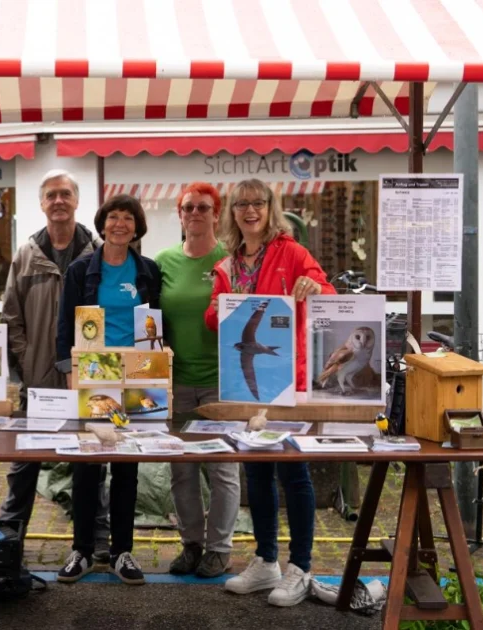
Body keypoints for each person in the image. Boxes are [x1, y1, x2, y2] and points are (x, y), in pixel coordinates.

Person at [204, 178, 334, 607]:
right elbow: (214, 320)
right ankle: (266, 561)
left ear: (270, 208)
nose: (250, 210)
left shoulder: (291, 252)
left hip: (287, 381)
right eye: (241, 204)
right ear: (232, 213)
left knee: (293, 472)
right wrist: (219, 309)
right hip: (245, 384)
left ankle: (301, 567)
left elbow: (327, 293)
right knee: (257, 471)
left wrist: (314, 287)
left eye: (258, 203)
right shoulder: (227, 264)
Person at [0, 170, 111, 562]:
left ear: (77, 200)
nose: (58, 201)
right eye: (51, 195)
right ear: (42, 203)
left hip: (88, 375)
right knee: (25, 459)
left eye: (65, 194)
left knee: (92, 456)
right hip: (39, 376)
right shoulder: (26, 255)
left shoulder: (98, 252)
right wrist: (28, 359)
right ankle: (10, 535)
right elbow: (11, 316)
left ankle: (97, 536)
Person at [55, 194, 161, 585]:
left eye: (128, 218)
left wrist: (155, 374)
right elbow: (66, 326)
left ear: (137, 227)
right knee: (86, 466)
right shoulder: (81, 270)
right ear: (102, 225)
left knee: (127, 466)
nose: (120, 224)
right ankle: (82, 550)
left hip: (136, 377)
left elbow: (155, 327)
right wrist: (70, 374)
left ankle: (122, 552)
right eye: (113, 217)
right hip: (93, 376)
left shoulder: (148, 271)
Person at [155, 183, 239, 578]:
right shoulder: (164, 262)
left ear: (216, 214)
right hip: (176, 382)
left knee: (222, 469)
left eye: (203, 207)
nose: (194, 214)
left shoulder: (231, 260)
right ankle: (191, 544)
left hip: (222, 381)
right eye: (188, 207)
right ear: (179, 214)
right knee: (181, 469)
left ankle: (219, 549)